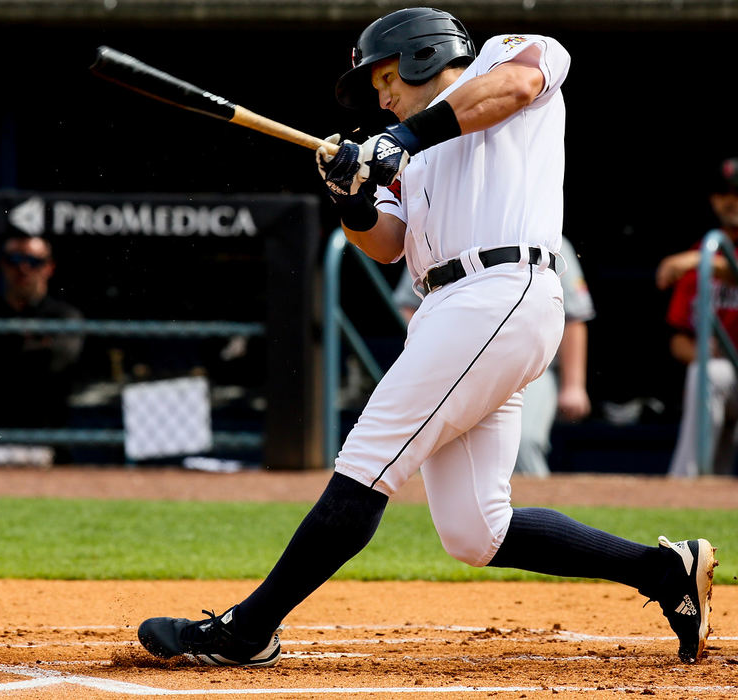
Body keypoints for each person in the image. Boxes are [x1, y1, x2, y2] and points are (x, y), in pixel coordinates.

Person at [135, 8, 716, 668]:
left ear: (423, 54)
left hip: (502, 289)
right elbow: (384, 245)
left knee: (370, 454)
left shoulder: (514, 53)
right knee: (476, 530)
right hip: (449, 309)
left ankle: (248, 630)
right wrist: (352, 198)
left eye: (385, 78)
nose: (379, 97)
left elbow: (515, 87)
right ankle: (666, 573)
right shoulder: (409, 156)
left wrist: (402, 137)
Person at [392, 235, 594, 477]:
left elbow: (574, 317)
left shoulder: (546, 233)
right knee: (441, 449)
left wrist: (573, 386)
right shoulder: (440, 231)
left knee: (523, 443)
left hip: (528, 365)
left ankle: (527, 510)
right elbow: (410, 303)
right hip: (456, 364)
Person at [0, 234, 84, 464]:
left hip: (44, 443)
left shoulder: (63, 316)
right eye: (14, 260)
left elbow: (55, 367)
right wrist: (31, 351)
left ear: (49, 267)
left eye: (33, 261)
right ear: (3, 264)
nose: (22, 269)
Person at [657, 157, 738, 477]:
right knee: (707, 373)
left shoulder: (700, 256)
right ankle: (688, 489)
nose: (731, 201)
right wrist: (702, 353)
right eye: (724, 193)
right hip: (728, 378)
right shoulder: (702, 254)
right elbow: (678, 339)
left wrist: (697, 260)